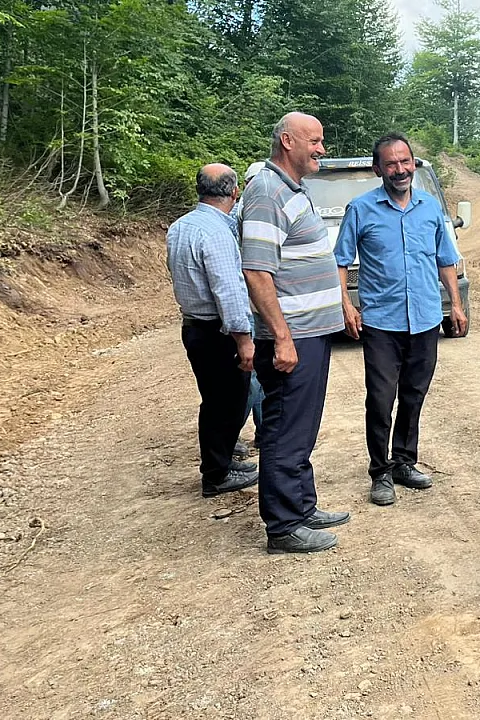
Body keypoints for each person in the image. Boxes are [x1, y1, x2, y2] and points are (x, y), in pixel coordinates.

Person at [335, 132, 466, 506]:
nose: (399, 169)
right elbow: (341, 261)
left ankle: (405, 462)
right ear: (378, 169)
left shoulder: (430, 209)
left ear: (413, 164)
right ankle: (380, 472)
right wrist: (346, 304)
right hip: (381, 322)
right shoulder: (360, 209)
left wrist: (454, 304)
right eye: (391, 164)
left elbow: (445, 260)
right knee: (380, 399)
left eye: (405, 161)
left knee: (413, 395)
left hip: (425, 317)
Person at [241, 112, 351, 554]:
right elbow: (256, 271)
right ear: (288, 141)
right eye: (315, 140)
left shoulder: (291, 190)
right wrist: (282, 337)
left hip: (310, 333)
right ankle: (284, 525)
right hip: (294, 338)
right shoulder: (266, 192)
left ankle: (302, 507)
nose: (322, 149)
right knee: (286, 429)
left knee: (301, 426)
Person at [167, 164, 259, 498]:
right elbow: (229, 290)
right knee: (229, 402)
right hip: (217, 332)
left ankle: (220, 462)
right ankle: (216, 475)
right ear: (234, 192)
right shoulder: (217, 233)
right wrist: (243, 338)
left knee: (215, 401)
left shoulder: (181, 227)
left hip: (193, 326)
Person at [233, 160, 268, 460]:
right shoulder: (243, 215)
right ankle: (229, 435)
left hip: (255, 306)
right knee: (254, 377)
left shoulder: (242, 212)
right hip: (247, 307)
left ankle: (263, 431)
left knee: (260, 377)